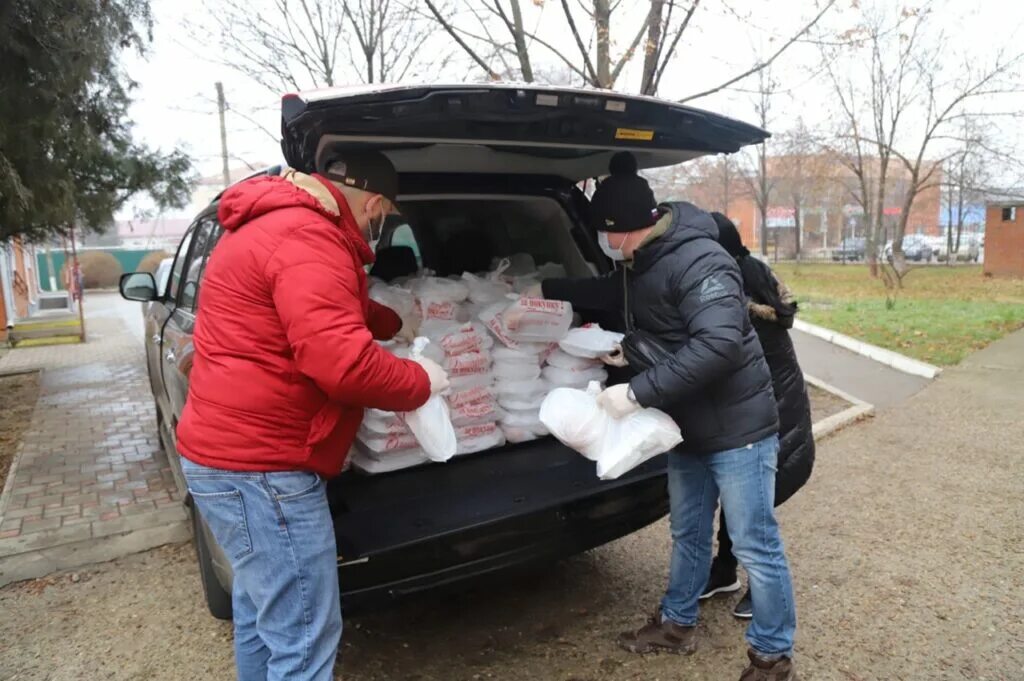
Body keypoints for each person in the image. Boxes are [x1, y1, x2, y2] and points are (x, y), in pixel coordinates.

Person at [175, 152, 449, 681]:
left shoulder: (281, 225)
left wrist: (390, 321)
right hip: (264, 471)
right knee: (302, 641)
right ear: (371, 202)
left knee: (262, 613)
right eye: (380, 216)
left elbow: (325, 302)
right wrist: (420, 383)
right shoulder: (309, 238)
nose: (375, 226)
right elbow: (342, 364)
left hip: (228, 459)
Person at [538, 153, 799, 681]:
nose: (605, 245)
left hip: (738, 429)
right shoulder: (642, 261)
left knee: (755, 542)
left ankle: (772, 655)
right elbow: (625, 300)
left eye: (605, 234)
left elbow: (719, 344)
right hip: (686, 426)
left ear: (623, 229)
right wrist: (546, 292)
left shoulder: (702, 262)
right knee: (688, 531)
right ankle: (677, 624)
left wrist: (636, 393)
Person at [700, 212, 815, 620]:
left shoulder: (731, 283)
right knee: (742, 495)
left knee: (755, 503)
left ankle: (762, 590)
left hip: (772, 407)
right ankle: (725, 569)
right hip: (760, 403)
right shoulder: (744, 273)